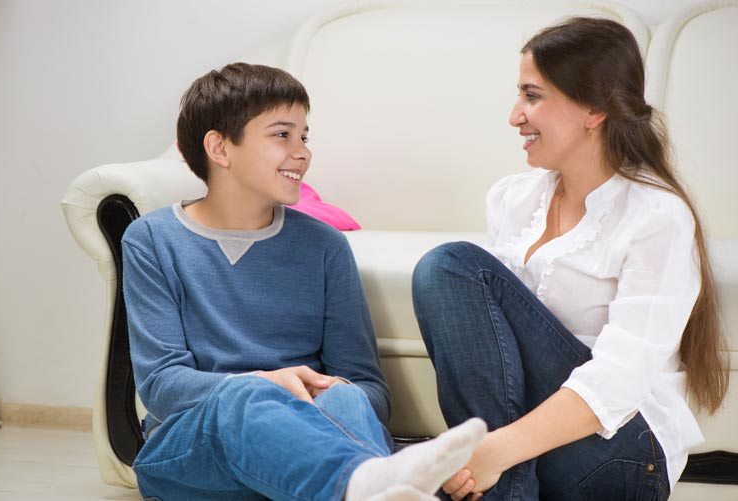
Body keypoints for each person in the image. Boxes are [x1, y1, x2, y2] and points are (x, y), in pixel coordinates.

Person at [122, 62, 487, 501]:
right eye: (282, 135)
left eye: (304, 136)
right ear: (220, 148)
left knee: (348, 398)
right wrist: (265, 383)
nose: (302, 152)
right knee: (244, 397)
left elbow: (369, 388)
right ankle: (378, 477)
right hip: (189, 455)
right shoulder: (151, 240)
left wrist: (318, 394)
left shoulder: (324, 246)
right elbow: (161, 385)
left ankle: (364, 487)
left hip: (305, 453)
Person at [411, 17, 729, 501]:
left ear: (594, 110)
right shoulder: (511, 199)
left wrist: (494, 451)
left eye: (532, 96)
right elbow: (492, 362)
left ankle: (488, 475)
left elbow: (618, 381)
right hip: (531, 452)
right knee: (446, 271)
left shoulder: (656, 216)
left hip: (621, 453)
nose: (515, 115)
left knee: (450, 264)